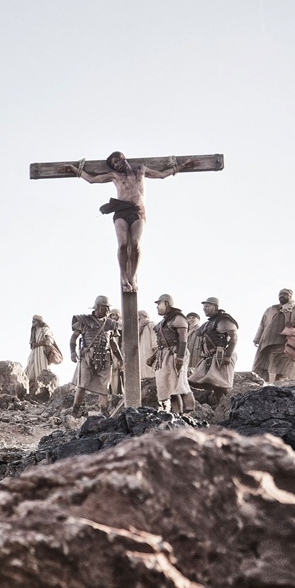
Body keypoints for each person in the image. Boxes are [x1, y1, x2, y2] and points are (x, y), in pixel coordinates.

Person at [63, 152, 193, 292]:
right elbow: (92, 179)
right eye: (114, 164)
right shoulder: (115, 175)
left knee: (136, 244)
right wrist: (76, 170)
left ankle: (132, 277)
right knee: (123, 244)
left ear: (123, 158)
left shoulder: (141, 170)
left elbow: (161, 175)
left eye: (117, 161)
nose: (116, 165)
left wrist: (182, 166)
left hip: (138, 211)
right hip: (121, 211)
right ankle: (124, 277)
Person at [69, 296, 121, 416]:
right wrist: (72, 352)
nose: (108, 310)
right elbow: (73, 338)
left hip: (104, 356)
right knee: (82, 384)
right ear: (98, 307)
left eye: (108, 308)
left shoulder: (110, 324)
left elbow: (113, 343)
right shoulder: (84, 320)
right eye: (106, 307)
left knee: (104, 386)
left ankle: (103, 410)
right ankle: (75, 410)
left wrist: (121, 359)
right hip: (87, 355)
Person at [150, 294, 196, 414]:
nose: (157, 307)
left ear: (166, 303)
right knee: (171, 388)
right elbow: (162, 343)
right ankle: (177, 415)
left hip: (175, 354)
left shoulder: (178, 318)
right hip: (164, 355)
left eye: (158, 304)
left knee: (181, 385)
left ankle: (190, 413)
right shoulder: (164, 321)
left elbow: (183, 339)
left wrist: (180, 357)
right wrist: (153, 356)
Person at [188, 297, 239, 403]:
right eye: (203, 306)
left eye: (207, 306)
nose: (204, 308)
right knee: (214, 383)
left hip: (222, 355)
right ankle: (222, 405)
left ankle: (232, 404)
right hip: (210, 356)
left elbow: (234, 337)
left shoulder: (223, 319)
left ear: (215, 307)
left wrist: (228, 355)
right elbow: (198, 333)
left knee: (223, 384)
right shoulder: (208, 324)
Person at [253, 288, 295, 382]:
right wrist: (257, 338)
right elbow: (262, 324)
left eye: (284, 294)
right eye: (280, 294)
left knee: (286, 359)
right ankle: (270, 380)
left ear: (290, 296)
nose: (281, 296)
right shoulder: (270, 309)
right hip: (268, 340)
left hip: (285, 340)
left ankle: (287, 377)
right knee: (269, 360)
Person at [26, 315, 57, 385]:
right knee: (30, 371)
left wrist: (39, 344)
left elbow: (50, 341)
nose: (33, 321)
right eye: (32, 320)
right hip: (34, 353)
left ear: (39, 321)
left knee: (42, 369)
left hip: (42, 352)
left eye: (35, 320)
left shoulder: (44, 329)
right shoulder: (34, 331)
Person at [137, 309, 157, 379]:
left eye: (139, 318)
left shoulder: (151, 324)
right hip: (141, 356)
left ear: (145, 316)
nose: (138, 320)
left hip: (150, 354)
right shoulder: (137, 329)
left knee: (151, 375)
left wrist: (155, 354)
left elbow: (155, 341)